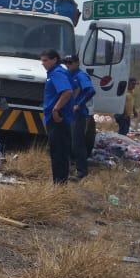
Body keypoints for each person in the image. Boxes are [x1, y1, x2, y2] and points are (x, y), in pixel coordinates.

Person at [41, 50, 74, 184]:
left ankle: (59, 184)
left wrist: (56, 109)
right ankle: (59, 182)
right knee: (58, 151)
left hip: (58, 119)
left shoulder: (57, 73)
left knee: (58, 152)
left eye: (45, 60)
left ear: (54, 60)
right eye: (42, 60)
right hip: (56, 118)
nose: (43, 63)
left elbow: (67, 92)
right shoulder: (58, 72)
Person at [65, 55, 95, 180]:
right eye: (66, 62)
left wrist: (79, 104)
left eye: (70, 62)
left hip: (78, 114)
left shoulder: (80, 76)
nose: (68, 64)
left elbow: (91, 91)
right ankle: (70, 167)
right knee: (69, 141)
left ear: (77, 63)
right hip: (69, 113)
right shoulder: (69, 74)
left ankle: (82, 171)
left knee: (78, 143)